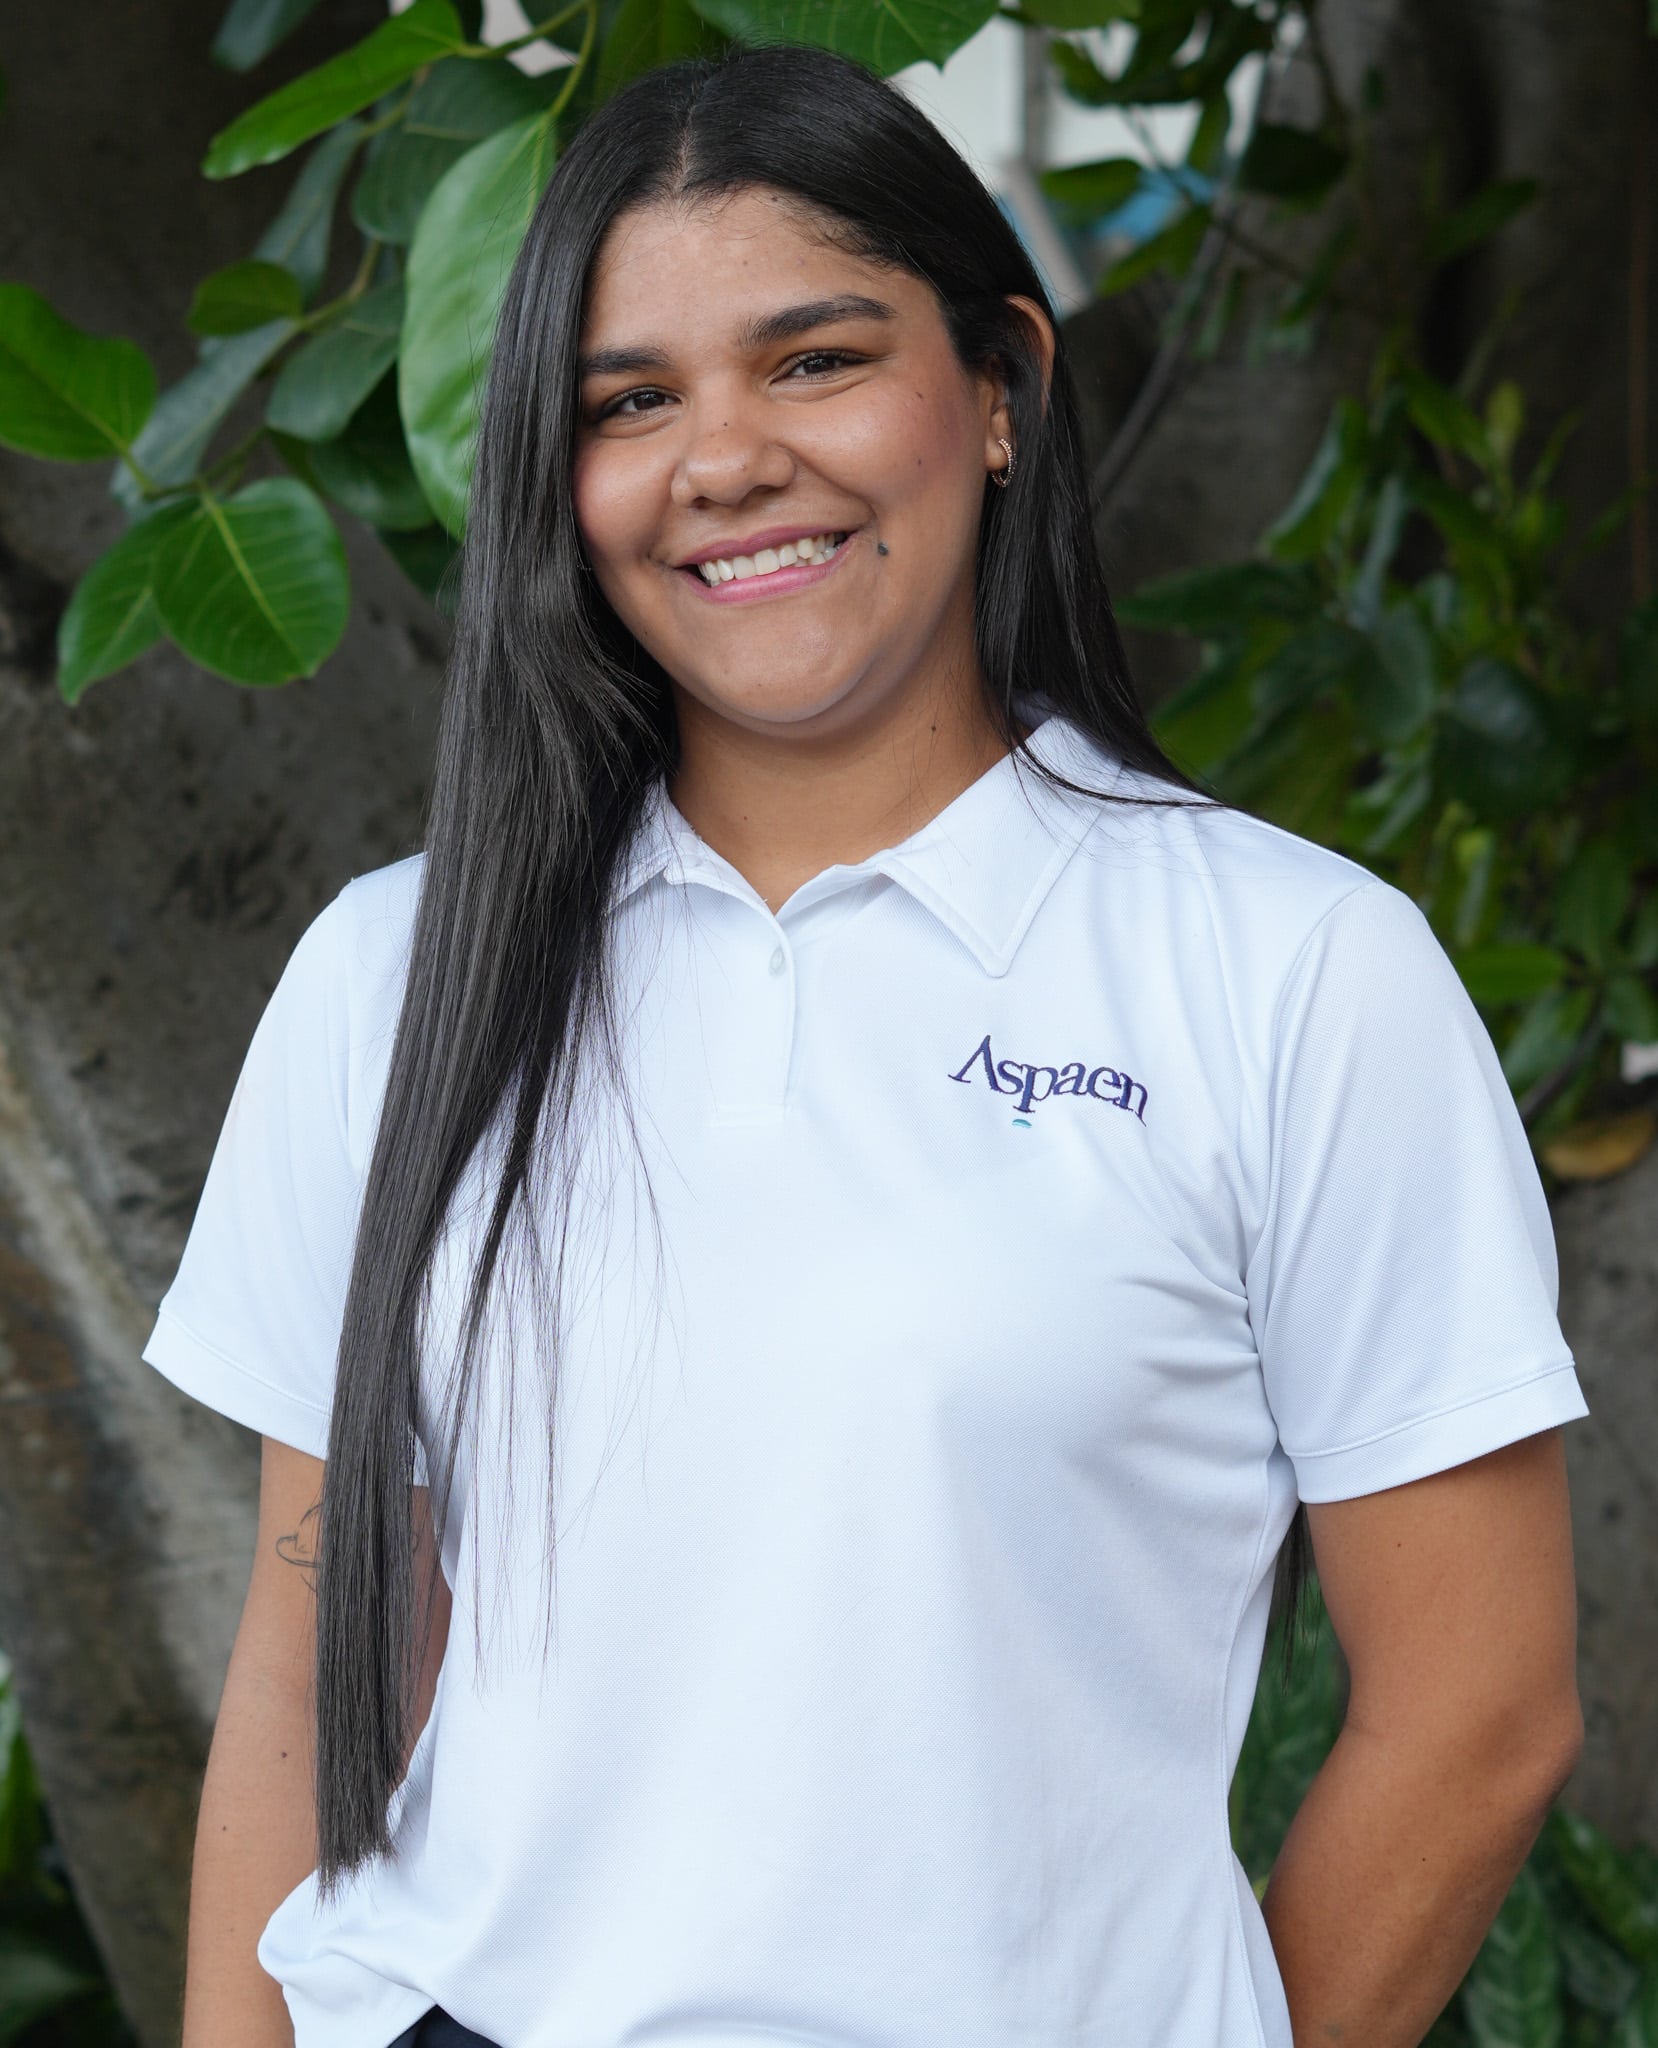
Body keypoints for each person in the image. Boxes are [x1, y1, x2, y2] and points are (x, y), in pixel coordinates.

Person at [140, 39, 1590, 2048]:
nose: (722, 459)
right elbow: (317, 1650)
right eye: (628, 402)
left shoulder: (1290, 971)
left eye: (812, 360)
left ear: (998, 387)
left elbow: (1479, 1712)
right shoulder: (392, 975)